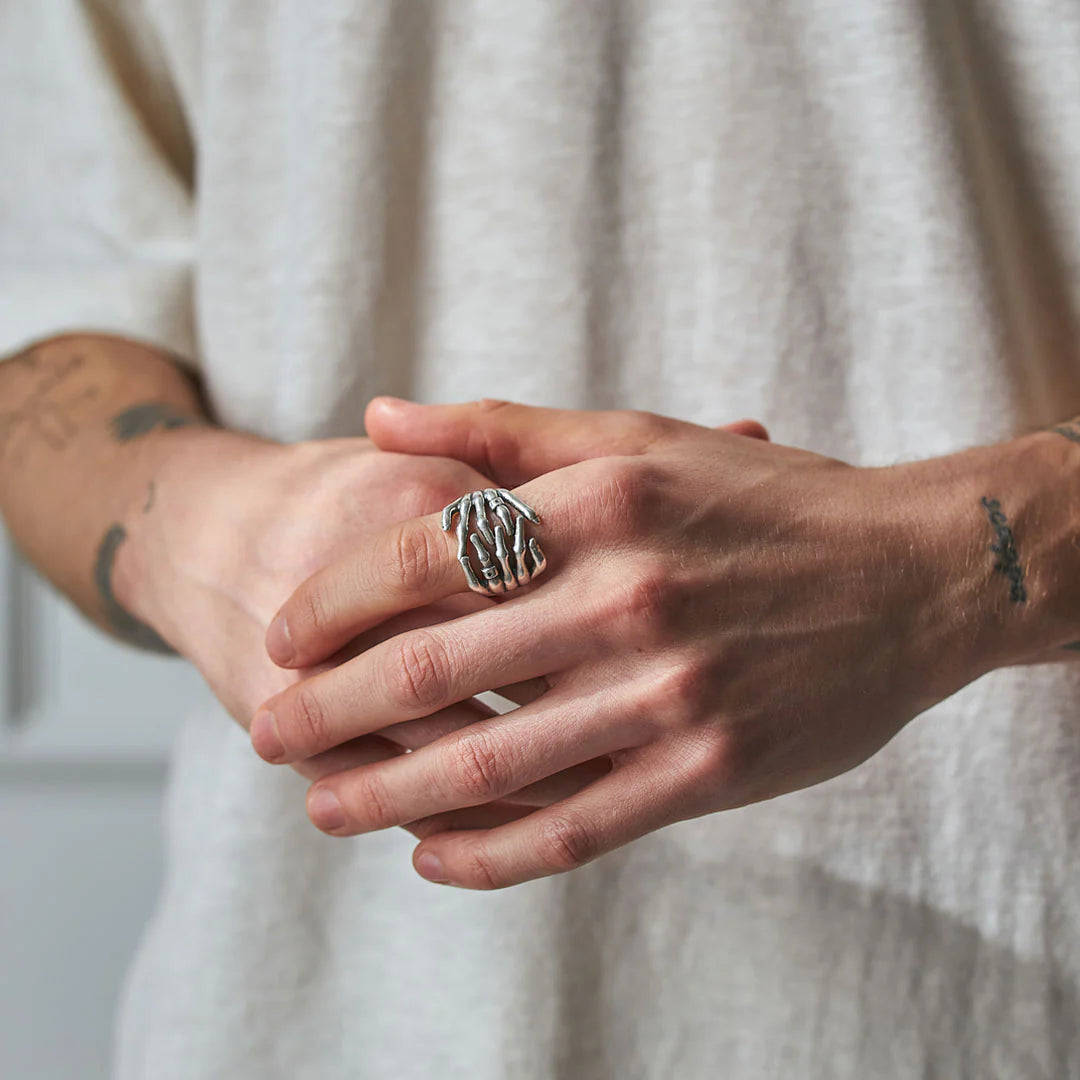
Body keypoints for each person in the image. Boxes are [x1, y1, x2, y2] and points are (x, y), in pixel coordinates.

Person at [2, 2, 1079, 1077]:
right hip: (309, 1004)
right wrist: (210, 526)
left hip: (1005, 979)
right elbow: (44, 329)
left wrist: (939, 568)